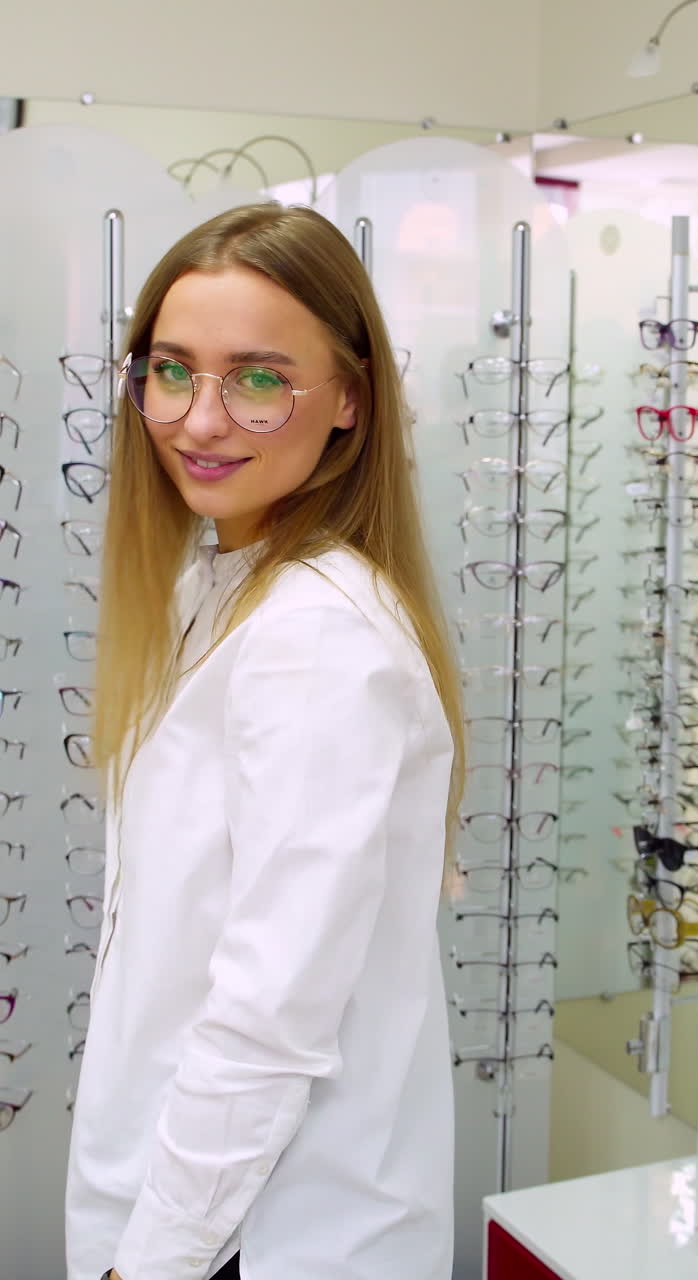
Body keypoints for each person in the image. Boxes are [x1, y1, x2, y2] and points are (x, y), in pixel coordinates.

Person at [64, 201, 465, 1280]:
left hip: (255, 1236)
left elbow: (267, 1019)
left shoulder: (314, 637)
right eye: (171, 370)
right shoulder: (219, 585)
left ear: (350, 399)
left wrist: (152, 1258)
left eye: (257, 379)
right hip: (203, 1209)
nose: (200, 422)